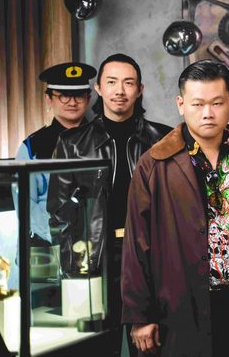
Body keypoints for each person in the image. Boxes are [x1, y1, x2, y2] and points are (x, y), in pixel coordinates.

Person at [121, 60, 229, 357]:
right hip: (181, 304)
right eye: (197, 104)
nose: (207, 113)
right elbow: (137, 245)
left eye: (216, 103)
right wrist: (140, 315)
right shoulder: (155, 164)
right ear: (181, 104)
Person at [47, 53, 171, 356]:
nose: (120, 91)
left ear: (139, 90)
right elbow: (59, 214)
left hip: (148, 258)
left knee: (152, 346)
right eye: (112, 82)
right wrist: (75, 268)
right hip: (95, 260)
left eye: (128, 83)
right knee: (95, 349)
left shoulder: (164, 139)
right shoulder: (72, 143)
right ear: (99, 88)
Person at [14, 62, 95, 246]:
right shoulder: (32, 147)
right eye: (64, 96)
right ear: (49, 99)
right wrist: (59, 234)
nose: (72, 102)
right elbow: (26, 206)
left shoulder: (103, 141)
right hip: (48, 244)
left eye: (79, 95)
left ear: (88, 99)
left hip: (94, 244)